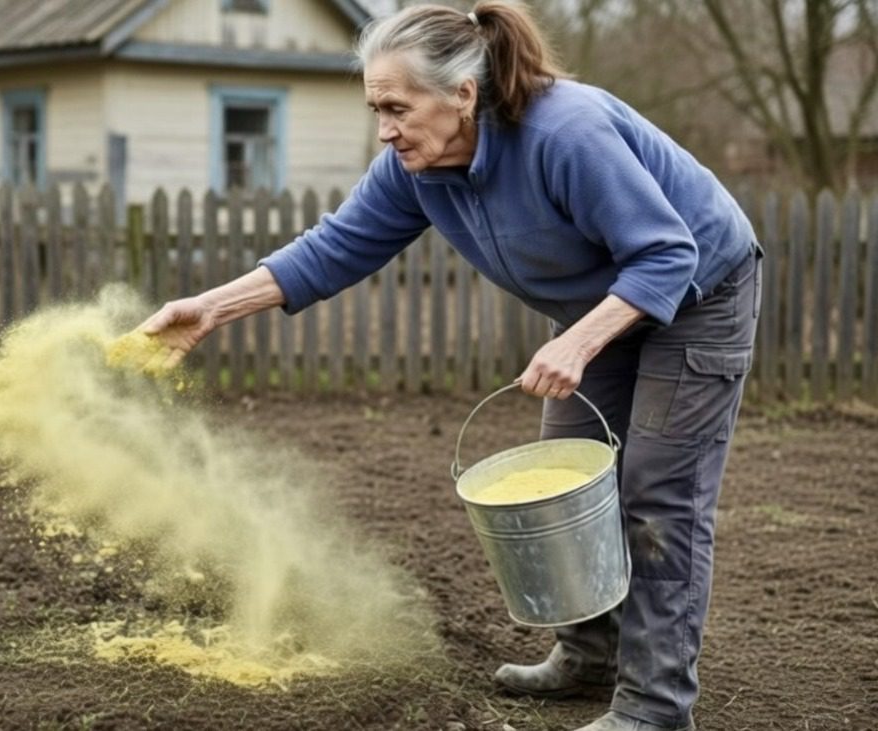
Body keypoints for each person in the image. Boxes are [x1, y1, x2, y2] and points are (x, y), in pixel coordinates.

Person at [139, 2, 760, 729]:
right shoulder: (418, 168)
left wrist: (579, 341)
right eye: (376, 108)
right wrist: (212, 307)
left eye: (396, 107)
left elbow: (667, 253)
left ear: (463, 94)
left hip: (698, 293)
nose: (384, 128)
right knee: (566, 475)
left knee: (658, 494)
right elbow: (335, 246)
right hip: (605, 304)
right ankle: (592, 654)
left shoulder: (566, 132)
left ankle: (656, 706)